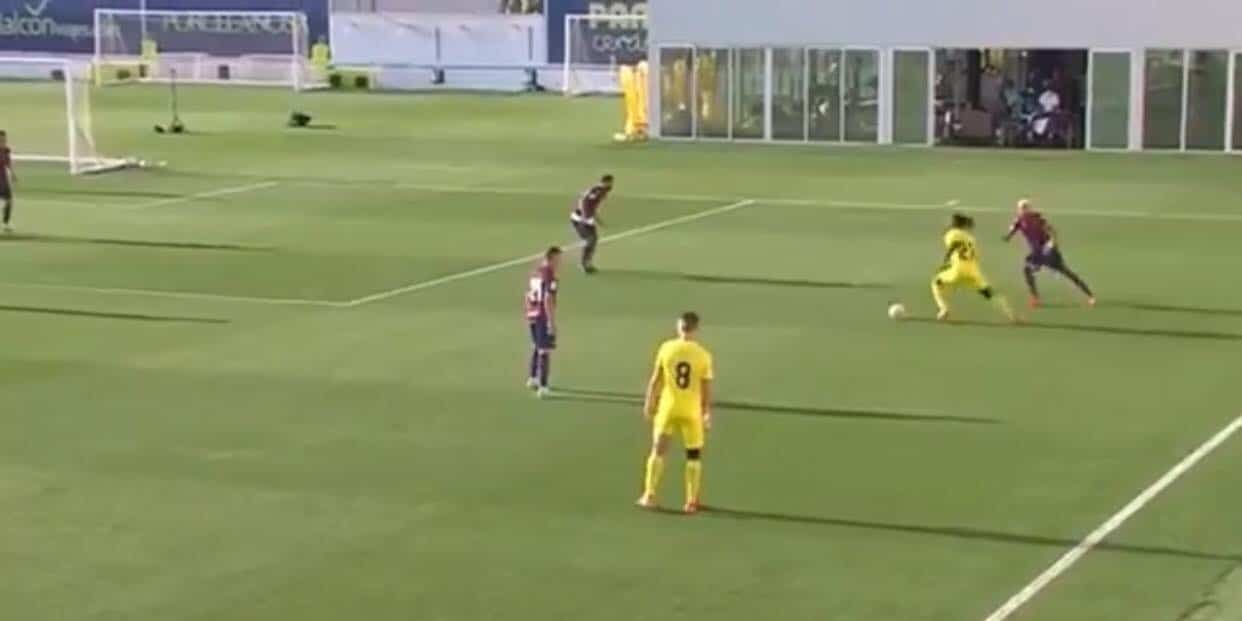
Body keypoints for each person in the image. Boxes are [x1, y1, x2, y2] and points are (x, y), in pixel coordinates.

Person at [637, 311, 715, 514]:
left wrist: (649, 402)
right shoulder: (703, 355)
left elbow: (656, 379)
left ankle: (649, 494)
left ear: (679, 327)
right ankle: (691, 501)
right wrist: (707, 412)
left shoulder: (666, 348)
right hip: (691, 411)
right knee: (693, 456)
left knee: (658, 451)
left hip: (668, 408)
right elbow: (706, 388)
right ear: (696, 329)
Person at [1004, 199, 1096, 308]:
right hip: (1036, 253)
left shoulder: (1037, 218)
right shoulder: (1019, 221)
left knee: (1065, 271)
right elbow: (1013, 230)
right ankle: (1035, 298)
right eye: (1021, 208)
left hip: (1048, 250)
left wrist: (1052, 244)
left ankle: (1089, 295)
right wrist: (1008, 236)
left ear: (1029, 208)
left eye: (1025, 207)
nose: (1024, 210)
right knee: (1027, 270)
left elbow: (1052, 230)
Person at [931, 213, 1017, 322]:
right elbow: (974, 255)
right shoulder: (970, 238)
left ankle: (944, 309)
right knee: (990, 294)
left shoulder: (951, 233)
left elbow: (954, 245)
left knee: (935, 282)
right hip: (973, 271)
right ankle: (1011, 315)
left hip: (957, 270)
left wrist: (945, 261)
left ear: (954, 223)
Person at [524, 247, 561, 398]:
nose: (559, 263)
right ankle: (543, 386)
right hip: (542, 315)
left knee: (536, 345)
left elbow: (528, 294)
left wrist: (529, 311)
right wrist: (551, 322)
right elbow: (548, 298)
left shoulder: (535, 272)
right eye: (558, 260)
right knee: (544, 350)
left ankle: (532, 378)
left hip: (531, 313)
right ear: (551, 258)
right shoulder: (550, 275)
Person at [570, 174, 613, 274]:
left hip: (586, 219)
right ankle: (584, 263)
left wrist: (597, 220)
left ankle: (587, 263)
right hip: (580, 219)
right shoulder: (598, 191)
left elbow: (592, 206)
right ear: (606, 182)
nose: (611, 185)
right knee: (591, 240)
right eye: (610, 182)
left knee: (593, 240)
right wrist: (585, 216)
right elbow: (584, 201)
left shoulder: (600, 190)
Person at [0, 130, 15, 232]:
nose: (3, 142)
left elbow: (8, 163)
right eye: (1, 140)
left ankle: (6, 223)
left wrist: (13, 174)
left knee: (9, 200)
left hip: (4, 179)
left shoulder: (6, 150)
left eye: (4, 140)